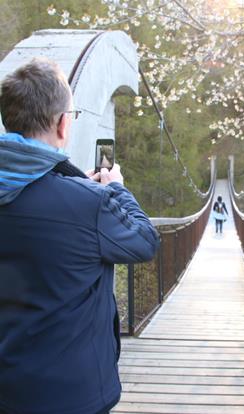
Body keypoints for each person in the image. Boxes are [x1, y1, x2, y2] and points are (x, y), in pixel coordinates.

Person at [0, 58, 160, 414]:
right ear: (62, 123)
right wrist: (114, 190)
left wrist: (77, 189)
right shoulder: (89, 204)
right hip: (74, 395)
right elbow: (144, 240)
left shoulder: (79, 200)